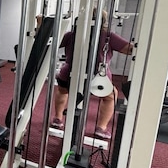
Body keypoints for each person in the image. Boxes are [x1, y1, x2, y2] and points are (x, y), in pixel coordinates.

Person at [51, 10, 133, 139]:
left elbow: (52, 43)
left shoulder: (71, 35)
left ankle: (57, 119)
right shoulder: (108, 36)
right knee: (111, 96)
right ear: (103, 22)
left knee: (62, 91)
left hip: (69, 75)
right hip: (97, 78)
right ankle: (101, 128)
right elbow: (130, 50)